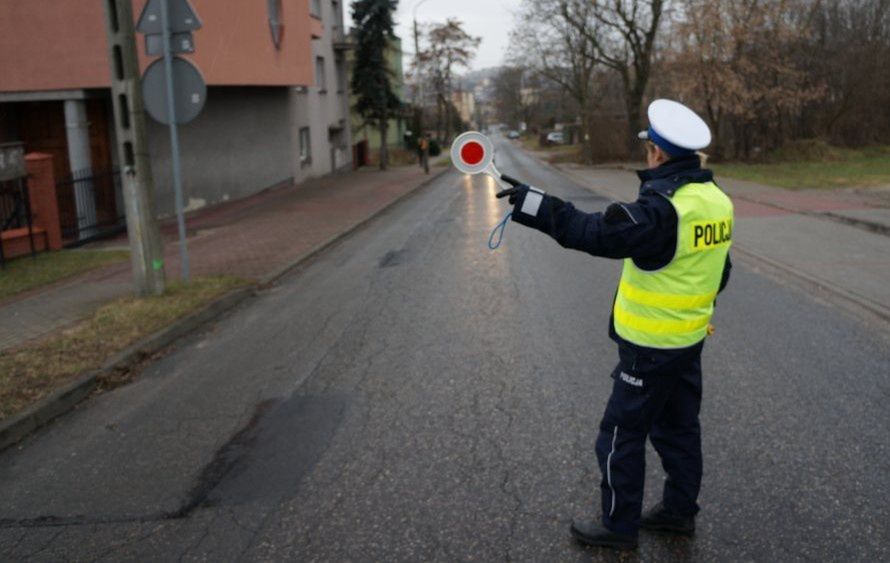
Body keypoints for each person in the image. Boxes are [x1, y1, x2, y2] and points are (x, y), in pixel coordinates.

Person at [496, 99, 733, 550]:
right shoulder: (716, 200)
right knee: (680, 430)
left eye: (649, 148)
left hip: (648, 348)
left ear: (658, 154)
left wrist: (536, 207)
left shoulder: (662, 208)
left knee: (621, 434)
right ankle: (680, 513)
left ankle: (618, 526)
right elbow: (720, 271)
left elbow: (596, 233)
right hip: (688, 341)